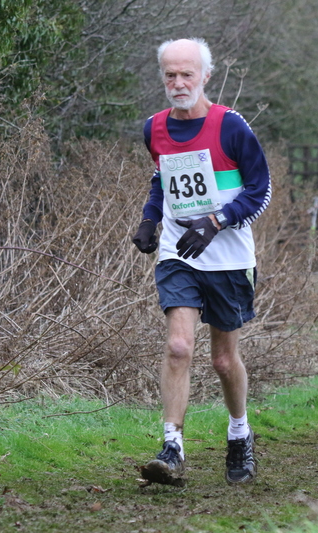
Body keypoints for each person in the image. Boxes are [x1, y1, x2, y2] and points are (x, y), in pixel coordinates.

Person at [131, 38, 272, 485]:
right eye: (170, 75)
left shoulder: (231, 127)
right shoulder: (154, 128)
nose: (178, 83)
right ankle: (171, 447)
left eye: (186, 74)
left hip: (228, 255)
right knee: (178, 346)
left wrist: (216, 221)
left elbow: (260, 190)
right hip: (179, 252)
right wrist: (150, 220)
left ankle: (239, 434)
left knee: (224, 361)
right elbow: (162, 179)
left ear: (205, 77)